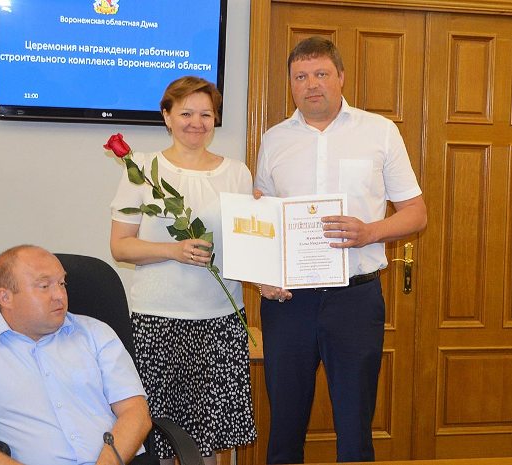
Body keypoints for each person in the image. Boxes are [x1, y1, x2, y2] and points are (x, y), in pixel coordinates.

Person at [254, 37, 427, 464]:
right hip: (288, 303)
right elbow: (261, 220)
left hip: (355, 301)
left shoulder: (379, 132)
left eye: (321, 74)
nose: (311, 84)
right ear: (290, 83)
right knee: (284, 428)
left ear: (341, 77)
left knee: (355, 428)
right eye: (300, 76)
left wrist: (370, 232)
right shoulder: (274, 140)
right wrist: (261, 275)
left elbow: (416, 213)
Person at [109, 76, 257, 465]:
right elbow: (120, 246)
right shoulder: (142, 170)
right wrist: (172, 251)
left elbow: (245, 246)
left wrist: (267, 277)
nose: (197, 123)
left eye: (206, 114)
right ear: (167, 116)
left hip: (220, 320)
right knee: (161, 434)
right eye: (186, 113)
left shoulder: (237, 173)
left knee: (209, 441)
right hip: (158, 320)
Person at [0, 245, 151, 465]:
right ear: (5, 297)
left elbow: (136, 412)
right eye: (44, 286)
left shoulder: (96, 333)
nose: (60, 295)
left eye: (62, 283)